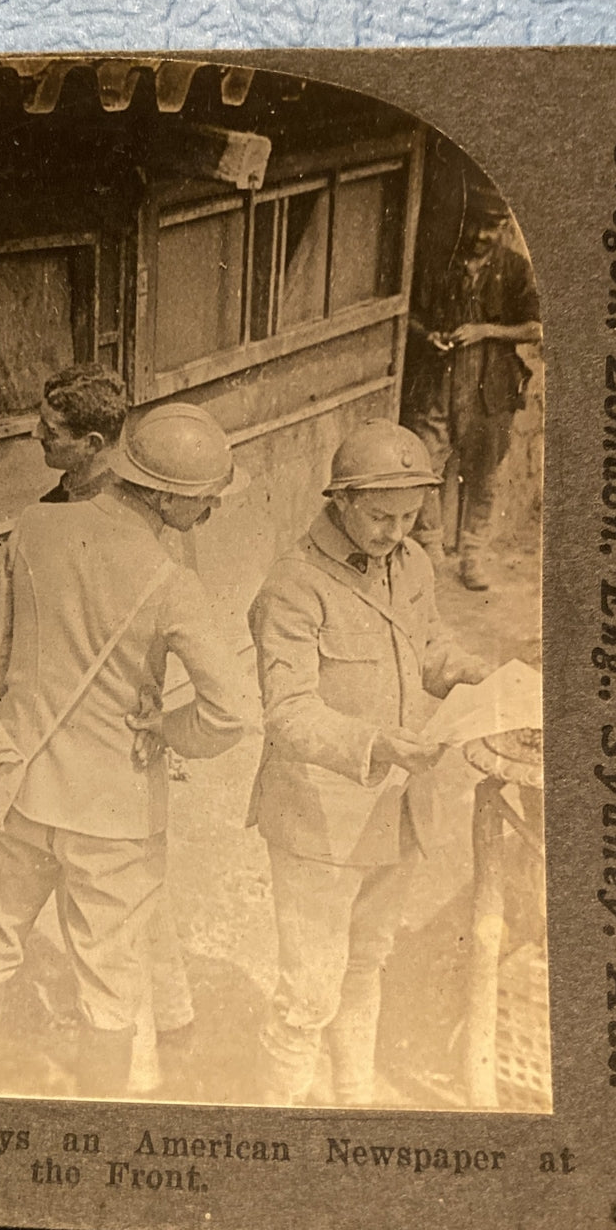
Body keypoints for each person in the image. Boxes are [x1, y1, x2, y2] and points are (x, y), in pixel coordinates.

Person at [0, 402, 247, 1100]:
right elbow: (231, 714)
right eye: (202, 502)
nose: (205, 514)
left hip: (15, 788)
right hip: (113, 812)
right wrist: (168, 730)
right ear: (169, 496)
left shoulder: (33, 526)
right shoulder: (172, 582)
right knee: (109, 983)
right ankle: (92, 1133)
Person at [247, 420, 493, 1107]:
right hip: (320, 823)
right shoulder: (294, 587)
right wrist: (378, 744)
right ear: (343, 501)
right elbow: (287, 712)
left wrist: (469, 674)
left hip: (395, 813)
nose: (395, 530)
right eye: (382, 516)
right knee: (309, 989)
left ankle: (353, 1098)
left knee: (367, 961)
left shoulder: (411, 562)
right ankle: (277, 1121)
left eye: (410, 515)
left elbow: (428, 644)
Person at [404, 185, 542, 591]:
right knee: (422, 469)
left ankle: (472, 556)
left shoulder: (514, 268)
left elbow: (535, 328)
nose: (482, 235)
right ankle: (429, 552)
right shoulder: (439, 263)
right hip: (438, 384)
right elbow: (408, 315)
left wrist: (486, 330)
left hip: (490, 389)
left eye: (492, 227)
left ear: (503, 228)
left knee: (484, 477)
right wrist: (428, 336)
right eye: (476, 225)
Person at [36, 364, 126, 502]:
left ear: (92, 444)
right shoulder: (69, 489)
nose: (36, 434)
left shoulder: (110, 511)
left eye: (50, 432)